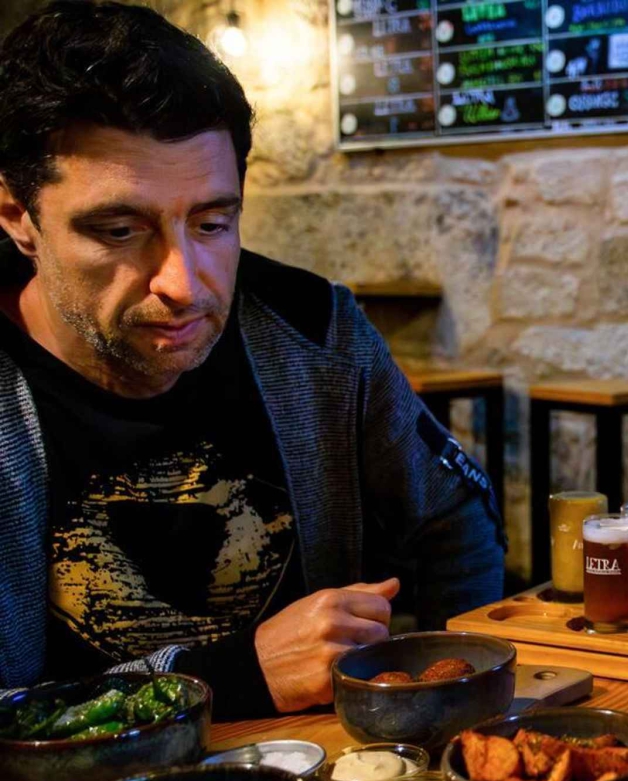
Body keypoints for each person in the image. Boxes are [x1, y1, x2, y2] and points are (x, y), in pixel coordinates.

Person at [0, 2, 506, 718]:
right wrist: (232, 678)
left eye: (213, 223)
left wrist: (456, 714)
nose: (184, 282)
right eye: (118, 230)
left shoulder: (316, 332)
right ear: (17, 216)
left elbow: (453, 520)